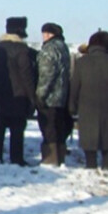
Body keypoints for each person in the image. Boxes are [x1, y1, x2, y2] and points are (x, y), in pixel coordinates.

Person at [68, 30, 108, 169]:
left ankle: (91, 165)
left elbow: (74, 86)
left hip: (86, 106)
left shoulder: (81, 62)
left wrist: (72, 106)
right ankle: (107, 164)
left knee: (89, 137)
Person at [0, 16, 36, 166]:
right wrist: (32, 97)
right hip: (19, 95)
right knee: (17, 127)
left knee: (0, 125)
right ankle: (16, 158)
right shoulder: (22, 49)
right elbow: (26, 74)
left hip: (1, 94)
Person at [35, 22, 72, 167]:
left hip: (49, 97)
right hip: (61, 95)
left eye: (44, 33)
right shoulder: (63, 48)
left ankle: (50, 158)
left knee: (48, 128)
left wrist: (40, 95)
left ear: (49, 34)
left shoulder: (49, 49)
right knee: (58, 126)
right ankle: (60, 156)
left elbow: (46, 74)